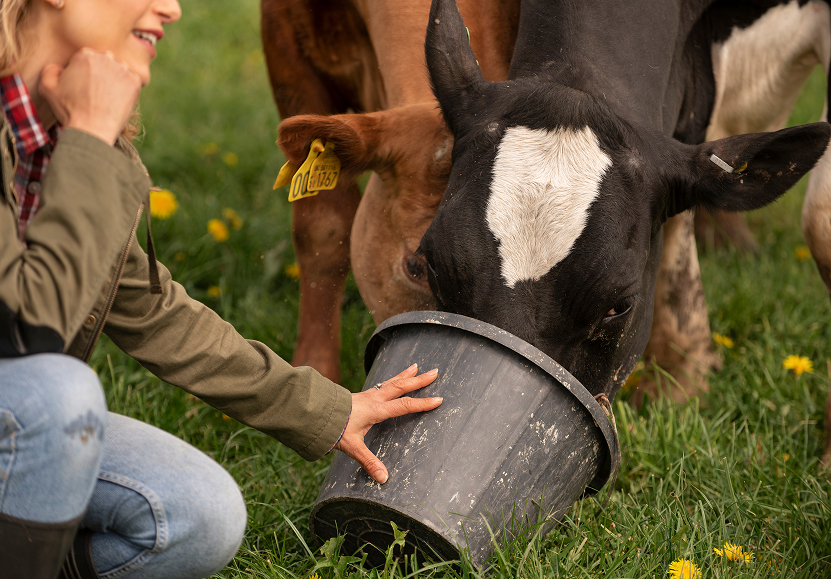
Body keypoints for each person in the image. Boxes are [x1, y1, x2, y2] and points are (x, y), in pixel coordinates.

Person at [0, 0, 444, 577]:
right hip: (33, 399)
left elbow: (153, 311)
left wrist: (332, 411)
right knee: (61, 393)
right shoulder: (85, 140)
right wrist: (88, 138)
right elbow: (27, 329)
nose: (172, 8)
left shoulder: (77, 139)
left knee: (200, 514)